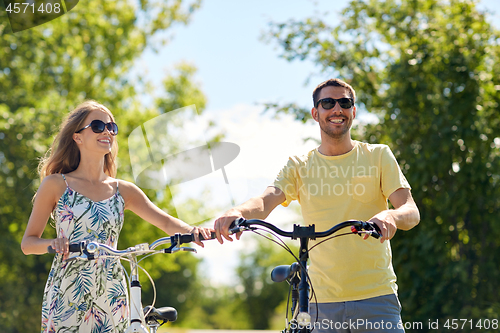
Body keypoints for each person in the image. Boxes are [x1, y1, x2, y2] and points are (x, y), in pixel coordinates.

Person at [214, 78, 420, 332]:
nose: (337, 109)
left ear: (353, 111)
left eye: (345, 103)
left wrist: (391, 216)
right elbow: (266, 200)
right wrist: (237, 212)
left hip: (376, 298)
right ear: (315, 113)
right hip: (320, 304)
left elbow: (411, 211)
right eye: (328, 103)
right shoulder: (300, 165)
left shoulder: (377, 155)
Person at [21, 100, 213, 333]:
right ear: (77, 136)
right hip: (68, 291)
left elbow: (165, 222)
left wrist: (193, 231)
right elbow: (29, 243)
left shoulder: (124, 190)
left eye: (112, 127)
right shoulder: (56, 184)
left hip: (113, 292)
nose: (108, 132)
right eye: (98, 126)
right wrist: (54, 244)